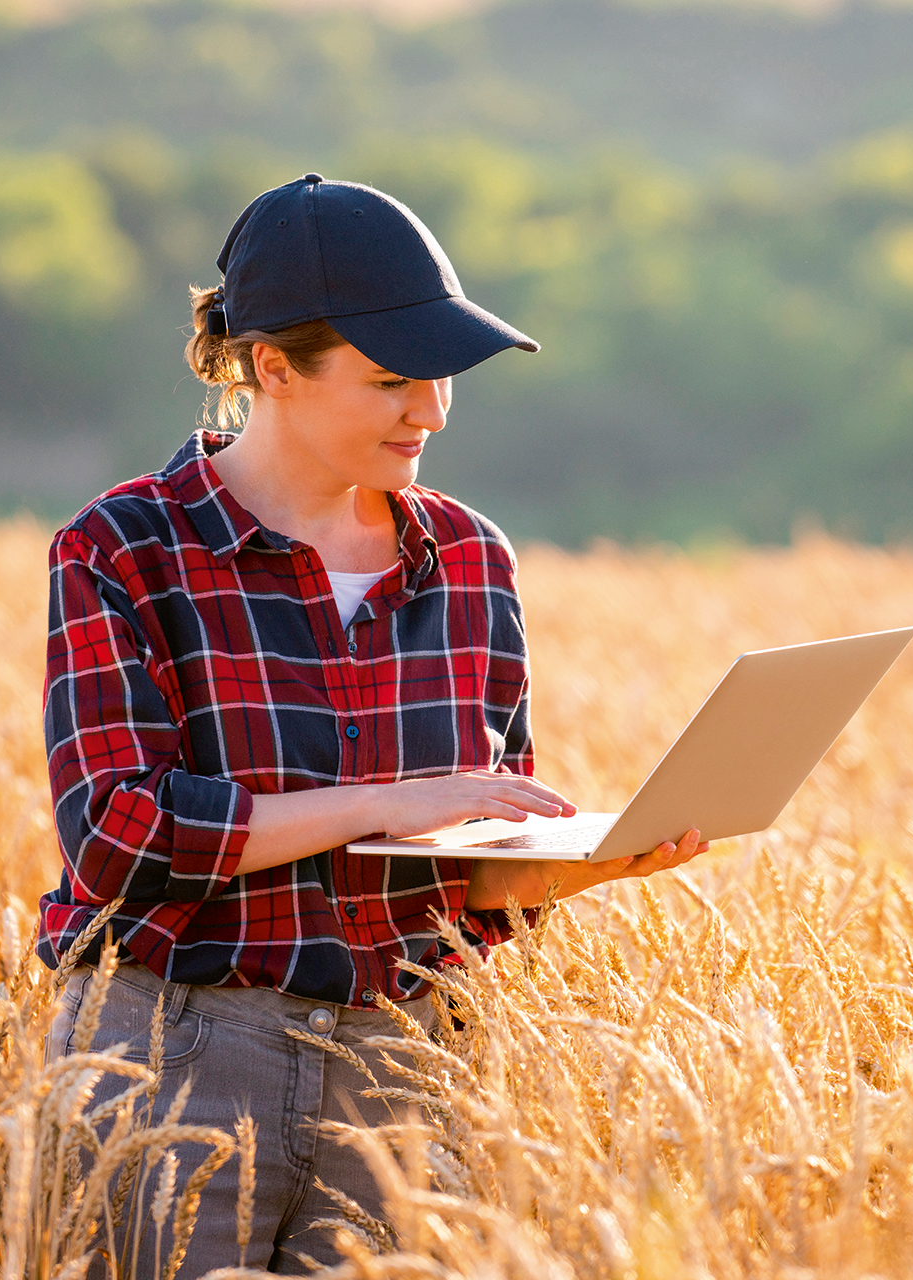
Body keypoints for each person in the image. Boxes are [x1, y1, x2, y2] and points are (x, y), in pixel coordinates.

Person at [38, 172, 705, 1275]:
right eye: (392, 378)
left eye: (441, 377)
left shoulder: (473, 558)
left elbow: (461, 868)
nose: (431, 409)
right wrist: (394, 802)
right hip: (178, 1060)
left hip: (408, 1072)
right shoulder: (124, 548)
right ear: (271, 367)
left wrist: (589, 863)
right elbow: (117, 836)